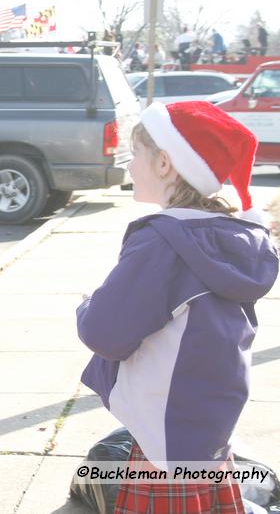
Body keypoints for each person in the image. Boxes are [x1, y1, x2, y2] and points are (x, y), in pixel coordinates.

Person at [77, 101, 278, 514]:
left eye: (136, 155)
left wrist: (87, 305)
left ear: (165, 164)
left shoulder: (163, 242)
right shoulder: (229, 238)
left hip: (163, 438)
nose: (129, 167)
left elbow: (104, 332)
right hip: (206, 428)